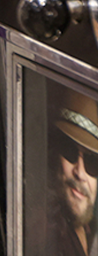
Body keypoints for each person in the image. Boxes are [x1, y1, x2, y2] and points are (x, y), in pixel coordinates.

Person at [48, 88, 98, 256]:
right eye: (69, 151)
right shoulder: (44, 235)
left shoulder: (92, 233)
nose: (81, 172)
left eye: (93, 162)